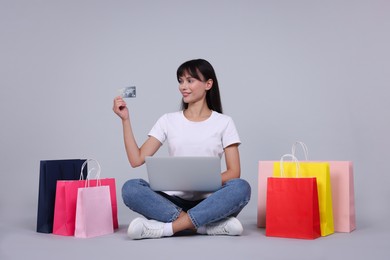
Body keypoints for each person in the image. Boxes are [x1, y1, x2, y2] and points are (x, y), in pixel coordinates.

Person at [113, 59, 251, 240]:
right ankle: (203, 227)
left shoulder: (224, 122)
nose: (183, 86)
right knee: (130, 188)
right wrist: (125, 120)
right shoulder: (168, 120)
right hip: (171, 201)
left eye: (190, 80)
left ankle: (166, 229)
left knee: (241, 187)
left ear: (208, 84)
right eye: (180, 81)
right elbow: (136, 159)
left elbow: (234, 172)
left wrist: (202, 181)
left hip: (210, 201)